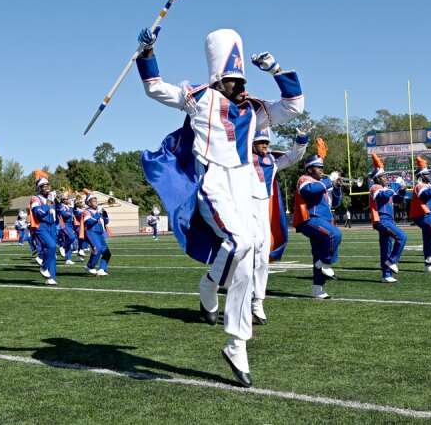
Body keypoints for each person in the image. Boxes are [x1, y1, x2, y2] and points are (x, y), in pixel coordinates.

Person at [138, 27, 304, 388]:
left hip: (243, 185)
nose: (241, 83)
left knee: (247, 261)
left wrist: (276, 70)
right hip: (213, 182)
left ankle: (237, 343)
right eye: (233, 78)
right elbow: (154, 87)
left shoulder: (254, 109)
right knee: (241, 242)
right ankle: (210, 284)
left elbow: (293, 106)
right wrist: (147, 51)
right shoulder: (197, 98)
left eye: (242, 77)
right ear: (218, 79)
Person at [250, 126, 309, 323]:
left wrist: (301, 139)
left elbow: (293, 157)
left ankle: (257, 303)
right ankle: (213, 284)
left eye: (267, 142)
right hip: (243, 208)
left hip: (264, 209)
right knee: (243, 253)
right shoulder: (238, 157)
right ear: (251, 142)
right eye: (261, 142)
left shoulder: (272, 160)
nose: (265, 146)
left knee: (263, 258)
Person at [293, 140, 342, 300]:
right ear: (309, 169)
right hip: (310, 219)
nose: (321, 170)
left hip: (325, 220)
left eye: (322, 167)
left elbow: (335, 203)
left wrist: (336, 188)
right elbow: (308, 191)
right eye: (318, 167)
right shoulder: (305, 179)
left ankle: (317, 288)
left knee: (318, 254)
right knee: (334, 235)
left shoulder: (323, 184)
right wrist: (328, 181)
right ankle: (325, 264)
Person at [367, 154, 408, 283]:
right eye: (384, 176)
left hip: (388, 220)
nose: (386, 178)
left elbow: (398, 200)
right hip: (381, 219)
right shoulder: (375, 187)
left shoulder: (386, 188)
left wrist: (402, 190)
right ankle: (391, 261)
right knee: (402, 237)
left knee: (386, 248)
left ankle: (386, 275)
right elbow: (383, 196)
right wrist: (395, 185)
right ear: (377, 178)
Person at [83, 194, 111, 276]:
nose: (96, 203)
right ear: (89, 203)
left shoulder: (98, 211)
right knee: (97, 249)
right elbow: (89, 222)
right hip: (91, 232)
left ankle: (102, 269)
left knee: (107, 253)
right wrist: (98, 213)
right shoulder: (86, 211)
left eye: (96, 201)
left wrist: (105, 214)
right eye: (94, 201)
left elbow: (106, 222)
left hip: (100, 233)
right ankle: (90, 266)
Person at [57, 193, 78, 263]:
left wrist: (72, 208)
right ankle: (63, 247)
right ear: (62, 200)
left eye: (67, 199)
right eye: (66, 199)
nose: (67, 200)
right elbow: (64, 214)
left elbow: (73, 213)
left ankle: (68, 259)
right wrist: (70, 211)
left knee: (69, 240)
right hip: (64, 224)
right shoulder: (60, 206)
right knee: (72, 237)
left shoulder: (68, 206)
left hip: (70, 224)